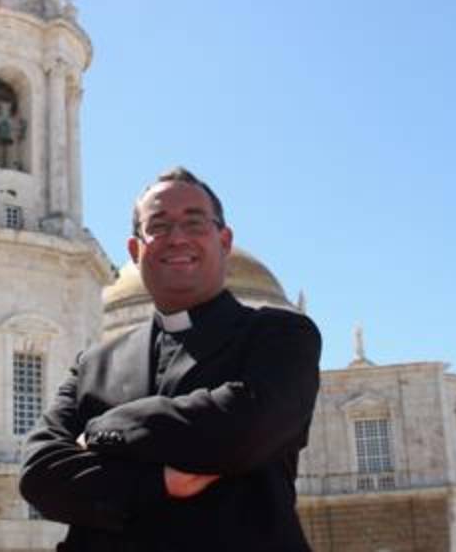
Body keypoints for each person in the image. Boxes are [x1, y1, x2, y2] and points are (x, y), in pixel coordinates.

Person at [19, 167, 322, 551]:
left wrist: (99, 433)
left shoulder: (281, 336)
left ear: (224, 240)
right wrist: (157, 482)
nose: (177, 238)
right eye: (158, 226)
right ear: (135, 250)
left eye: (194, 223)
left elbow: (243, 428)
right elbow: (39, 475)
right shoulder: (93, 365)